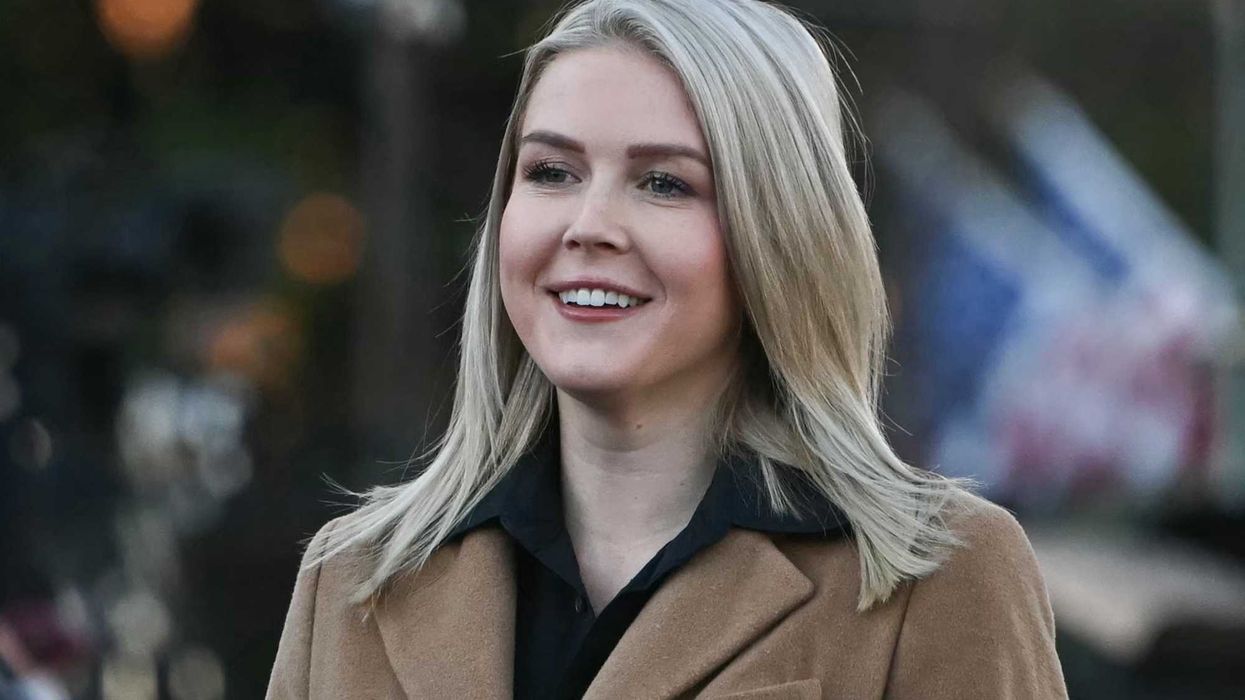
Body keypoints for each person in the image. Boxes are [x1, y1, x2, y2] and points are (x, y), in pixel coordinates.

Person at [267, 0, 1068, 697]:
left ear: (780, 232)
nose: (588, 225)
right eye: (551, 172)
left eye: (663, 183)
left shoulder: (938, 576)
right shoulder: (353, 579)